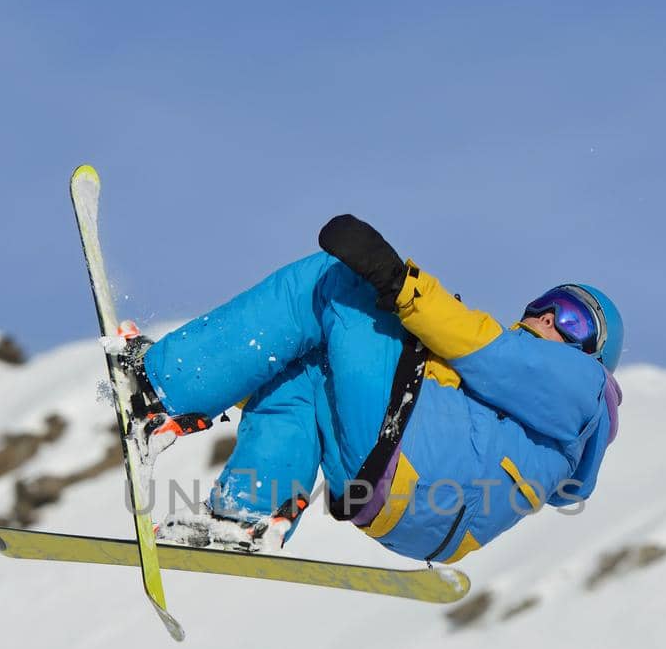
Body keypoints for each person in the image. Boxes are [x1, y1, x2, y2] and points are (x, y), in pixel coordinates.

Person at [114, 215, 623, 563]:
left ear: (595, 355)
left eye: (575, 318)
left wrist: (399, 284)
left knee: (335, 282)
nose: (550, 316)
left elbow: (482, 344)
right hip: (405, 510)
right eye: (545, 303)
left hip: (418, 460)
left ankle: (156, 386)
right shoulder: (530, 423)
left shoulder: (583, 387)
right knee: (304, 368)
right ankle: (248, 516)